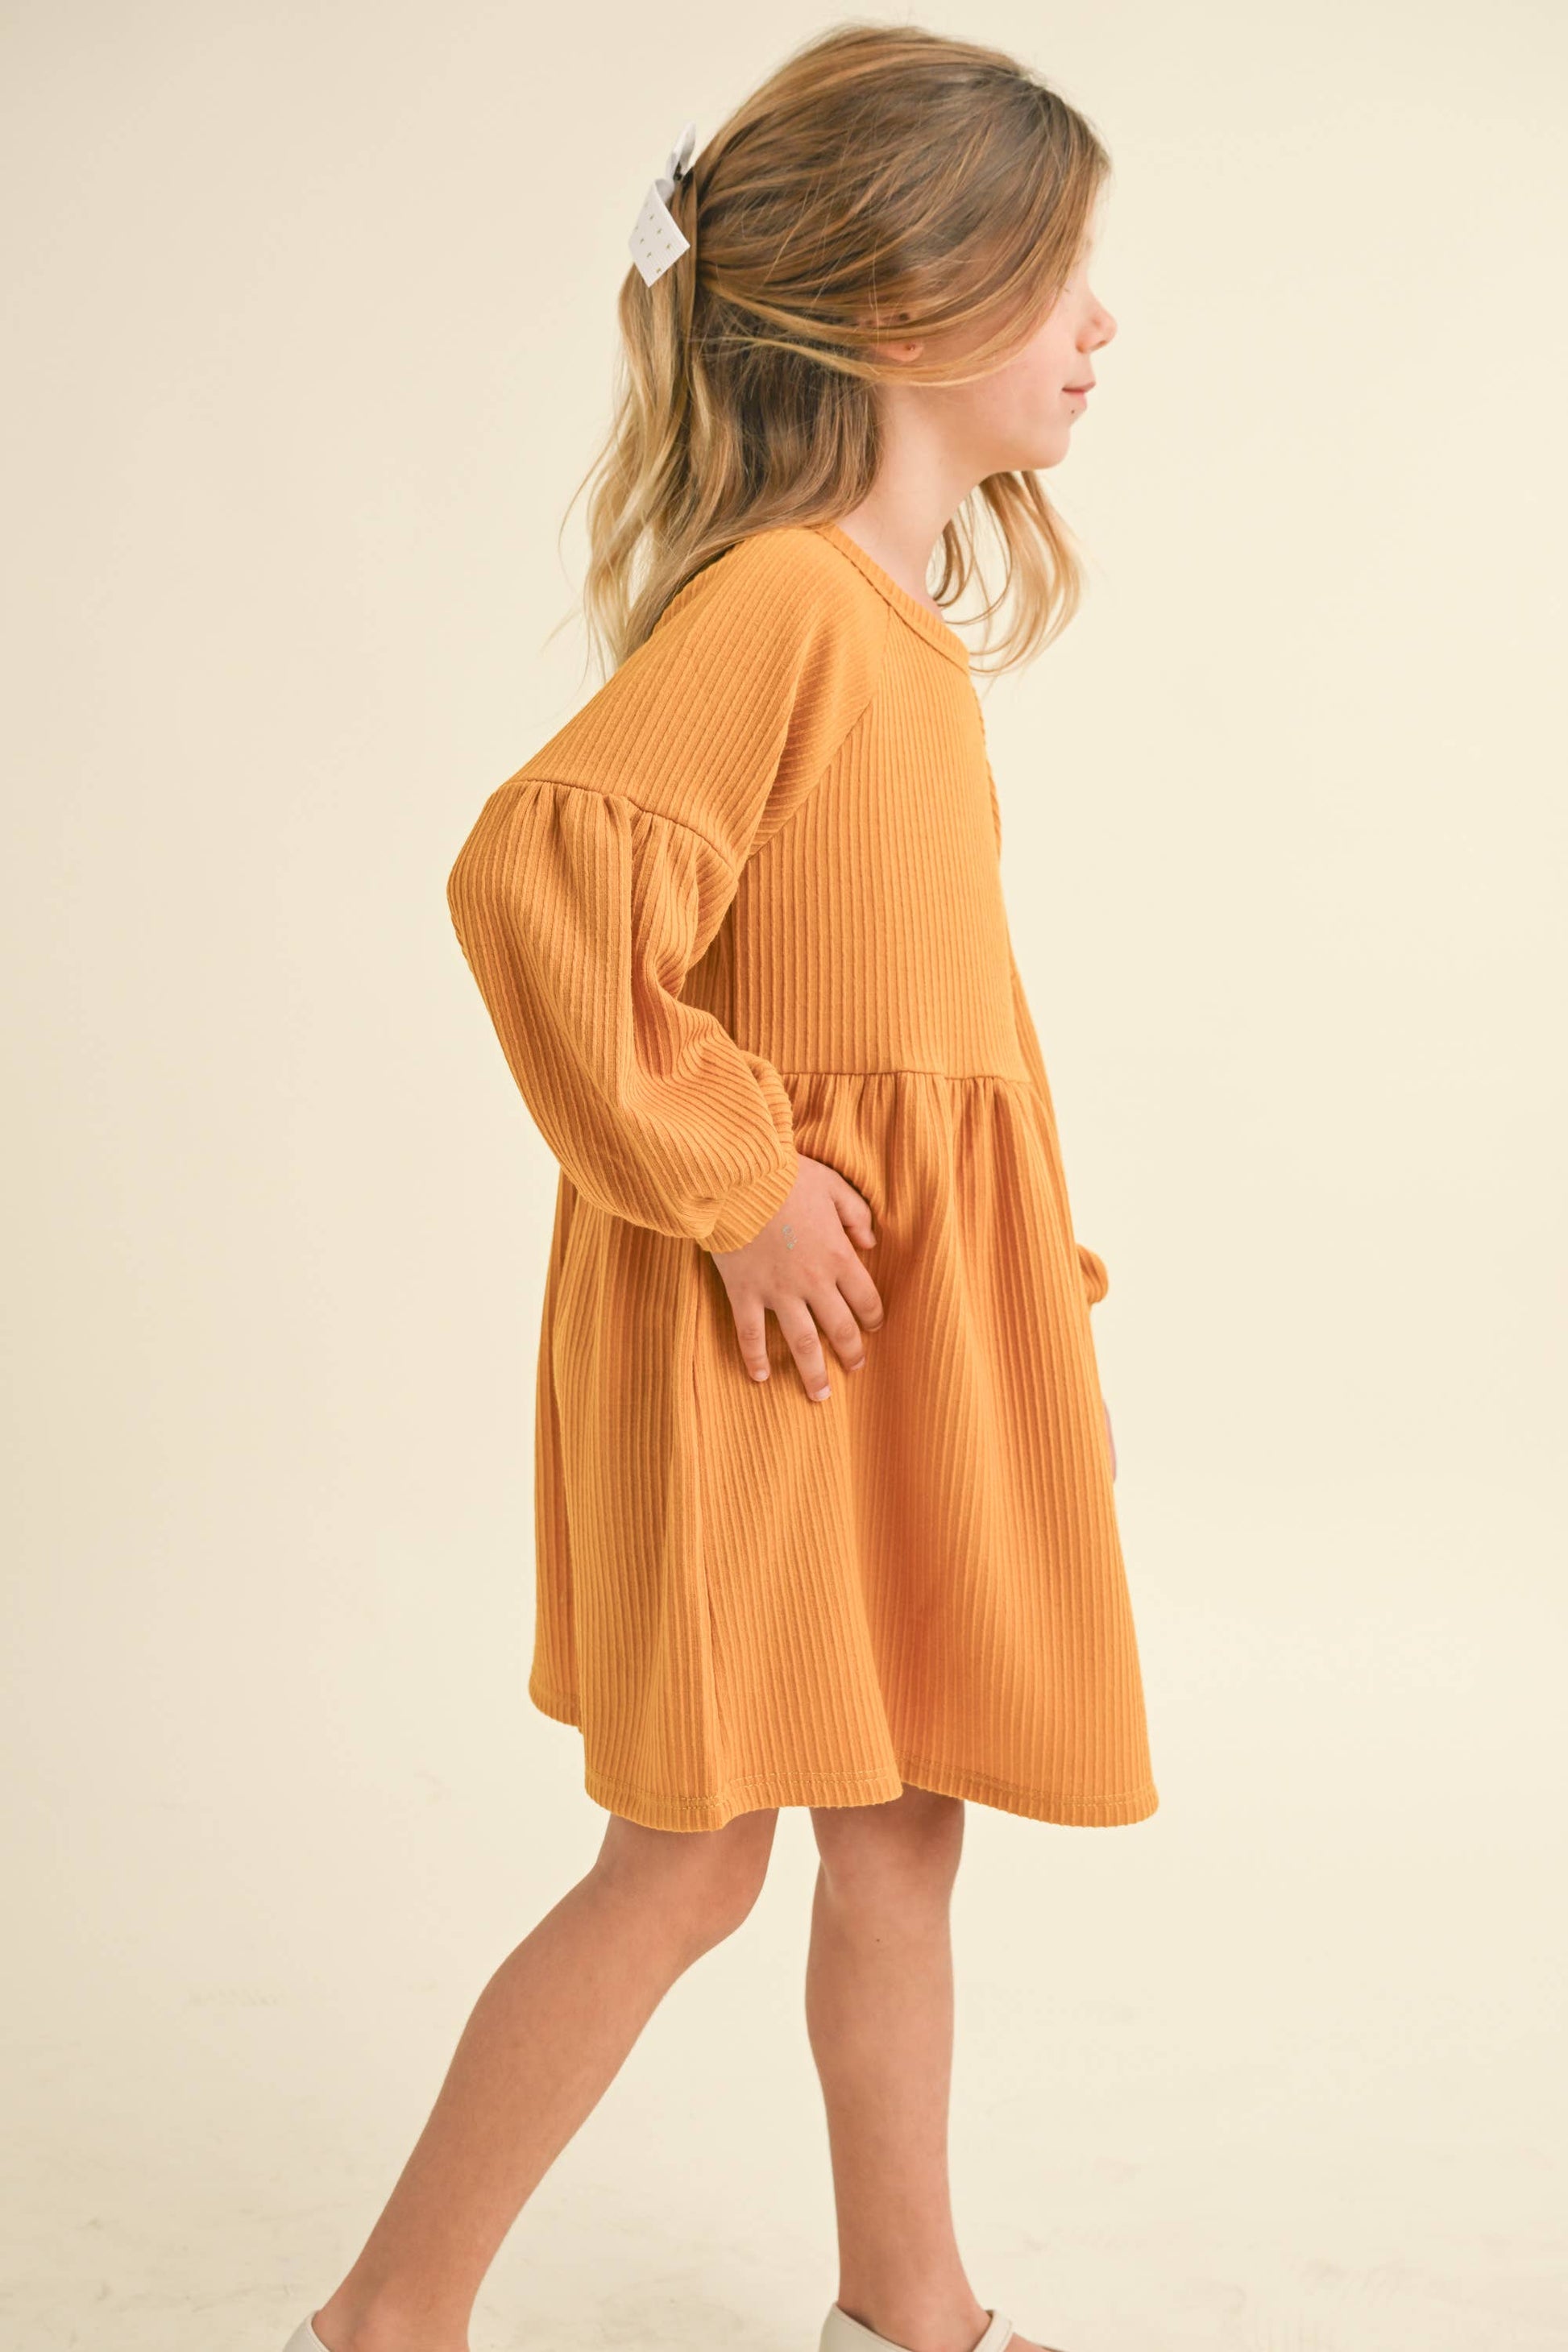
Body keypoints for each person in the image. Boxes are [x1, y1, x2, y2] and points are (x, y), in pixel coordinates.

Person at [283, 23, 1156, 2352]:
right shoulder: (777, 608)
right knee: (687, 1859)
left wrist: (1008, 1271)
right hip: (764, 1336)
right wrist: (735, 1180)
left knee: (901, 1829)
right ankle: (388, 2314)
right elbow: (538, 886)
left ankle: (909, 2305)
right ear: (905, 306)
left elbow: (928, 1029)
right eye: (1059, 272)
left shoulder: (893, 633)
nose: (1102, 323)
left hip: (871, 1333)